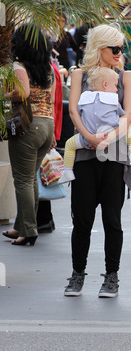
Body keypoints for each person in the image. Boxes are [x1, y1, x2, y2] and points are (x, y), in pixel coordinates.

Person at [64, 24, 131, 298]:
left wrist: (108, 137)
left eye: (121, 48)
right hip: (84, 156)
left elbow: (128, 114)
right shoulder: (79, 75)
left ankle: (112, 276)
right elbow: (73, 110)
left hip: (115, 157)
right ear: (99, 49)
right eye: (114, 48)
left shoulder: (125, 76)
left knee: (112, 220)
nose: (120, 52)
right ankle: (77, 274)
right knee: (81, 219)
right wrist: (89, 138)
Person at [2, 26, 55, 246]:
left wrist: (4, 94)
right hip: (47, 124)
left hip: (27, 125)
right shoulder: (47, 68)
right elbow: (50, 99)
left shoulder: (19, 66)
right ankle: (21, 226)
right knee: (30, 177)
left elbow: (22, 92)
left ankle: (29, 230)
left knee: (22, 180)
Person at [60, 66, 131, 183]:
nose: (116, 89)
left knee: (69, 145)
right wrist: (108, 137)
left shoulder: (85, 97)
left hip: (86, 138)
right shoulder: (113, 99)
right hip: (111, 136)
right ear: (105, 85)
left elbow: (76, 113)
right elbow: (125, 116)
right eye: (115, 85)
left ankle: (67, 171)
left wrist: (90, 137)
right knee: (128, 127)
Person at [36, 60, 63, 233]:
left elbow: (51, 102)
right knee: (42, 173)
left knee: (39, 174)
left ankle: (43, 219)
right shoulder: (50, 68)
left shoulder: (44, 69)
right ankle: (45, 219)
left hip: (46, 125)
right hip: (50, 126)